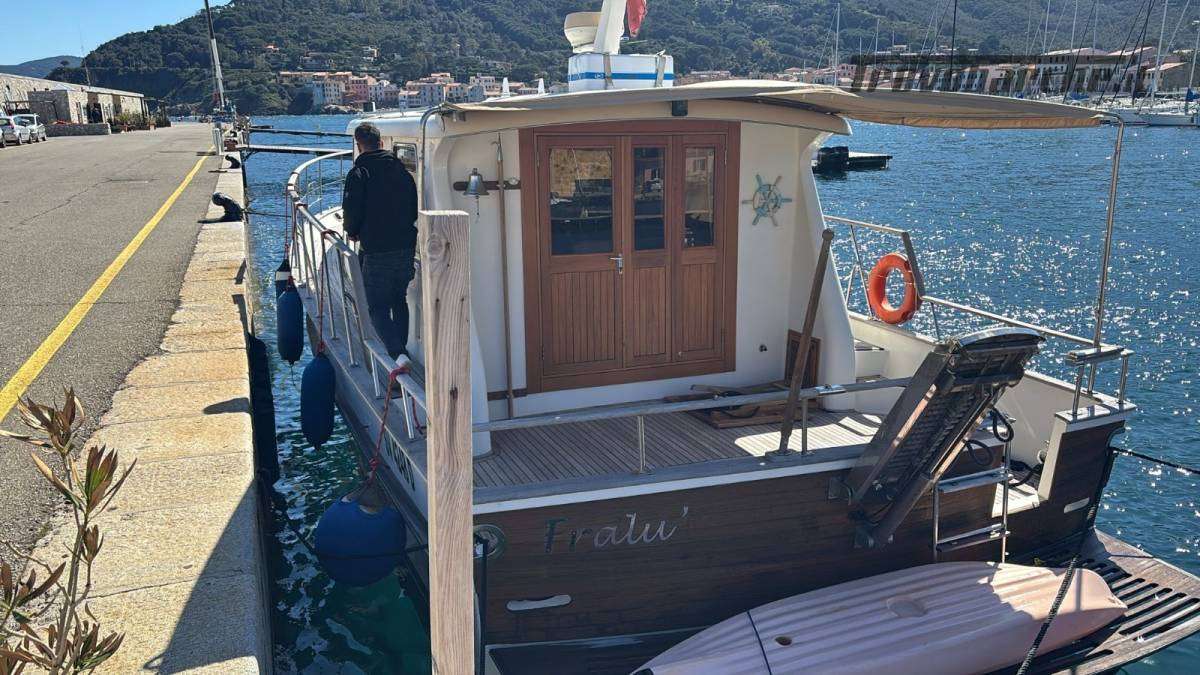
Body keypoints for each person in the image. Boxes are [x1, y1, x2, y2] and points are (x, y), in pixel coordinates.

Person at [342, 122, 418, 359]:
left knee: (376, 306)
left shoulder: (359, 173)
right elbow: (413, 209)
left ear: (359, 145)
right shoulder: (402, 172)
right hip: (405, 245)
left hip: (376, 248)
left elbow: (351, 210)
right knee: (398, 299)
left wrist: (352, 231)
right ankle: (401, 351)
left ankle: (397, 355)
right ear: (381, 143)